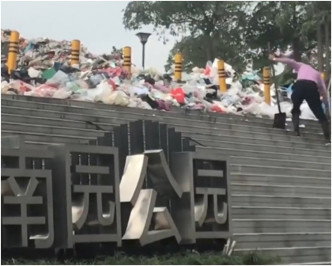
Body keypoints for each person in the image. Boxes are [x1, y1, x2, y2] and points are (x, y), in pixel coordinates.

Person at [269, 53, 330, 143]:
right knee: (319, 113)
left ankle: (296, 131)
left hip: (300, 86)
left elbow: (289, 61)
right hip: (312, 88)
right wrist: (326, 104)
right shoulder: (317, 74)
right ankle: (327, 137)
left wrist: (274, 59)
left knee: (296, 108)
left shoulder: (301, 66)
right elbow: (323, 90)